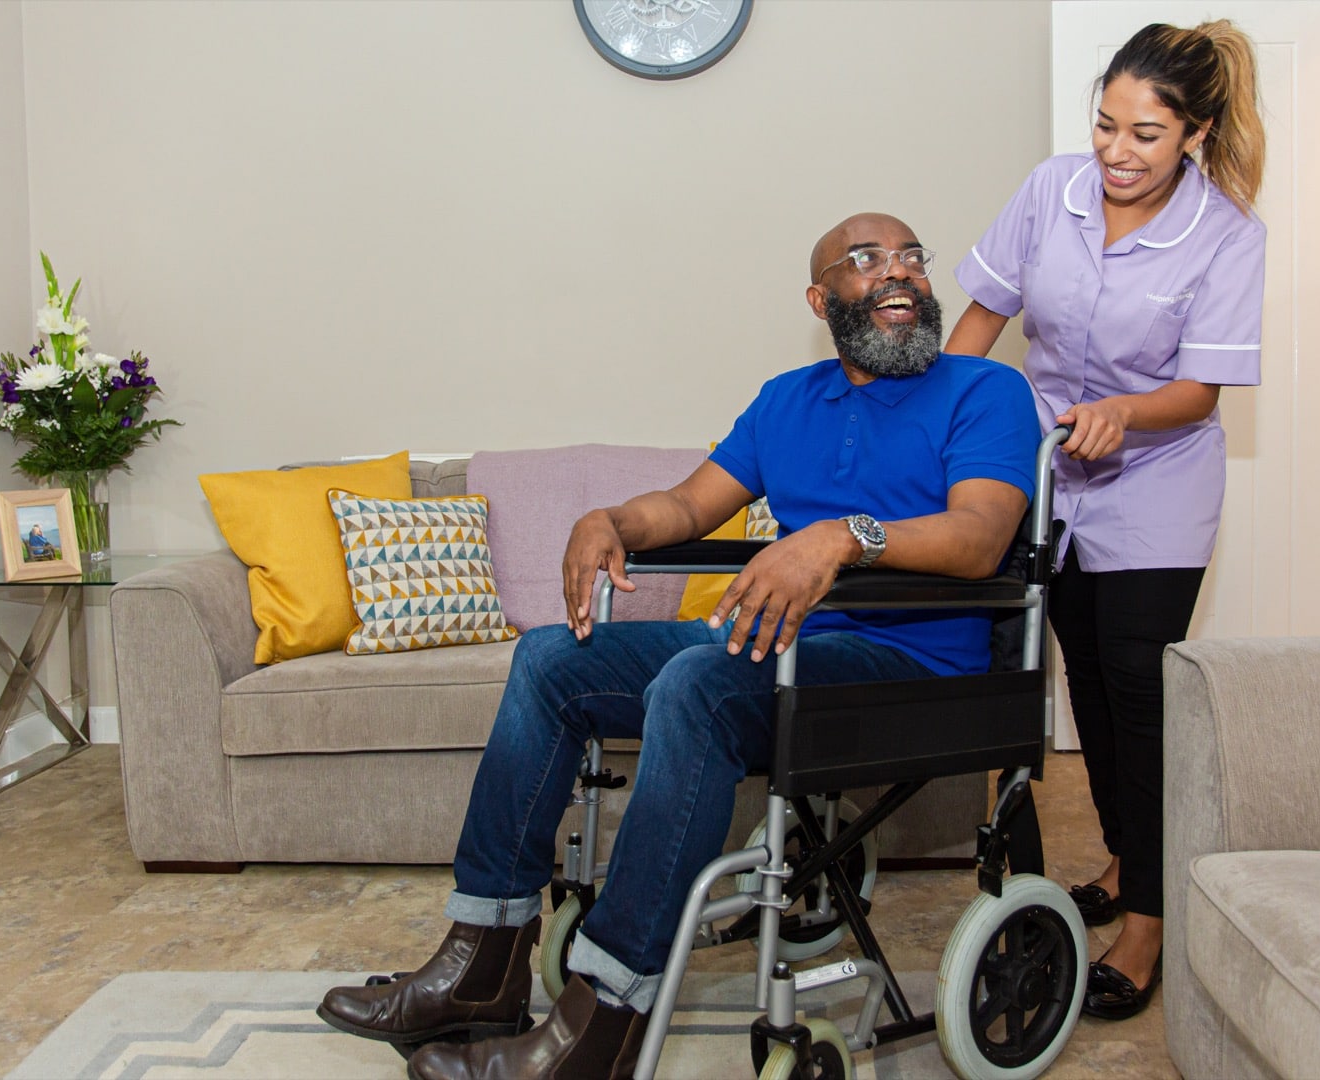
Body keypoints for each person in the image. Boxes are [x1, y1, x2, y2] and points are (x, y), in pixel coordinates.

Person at [317, 212, 1041, 1079]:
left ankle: (603, 1022)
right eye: (867, 259)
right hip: (772, 646)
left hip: (909, 670)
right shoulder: (787, 399)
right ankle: (484, 964)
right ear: (821, 300)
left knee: (700, 684)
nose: (900, 272)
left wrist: (843, 537)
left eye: (912, 258)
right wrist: (612, 520)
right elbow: (691, 506)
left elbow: (980, 539)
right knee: (550, 661)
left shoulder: (983, 390)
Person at [944, 20, 1268, 1022]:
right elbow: (982, 317)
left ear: (1195, 134)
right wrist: (937, 423)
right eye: (1106, 126)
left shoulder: (1228, 235)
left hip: (1154, 480)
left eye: (1146, 135)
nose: (1117, 152)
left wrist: (1124, 412)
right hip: (1047, 477)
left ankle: (1149, 924)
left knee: (1140, 693)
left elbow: (1201, 391)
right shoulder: (1052, 191)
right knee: (1082, 673)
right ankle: (1128, 860)